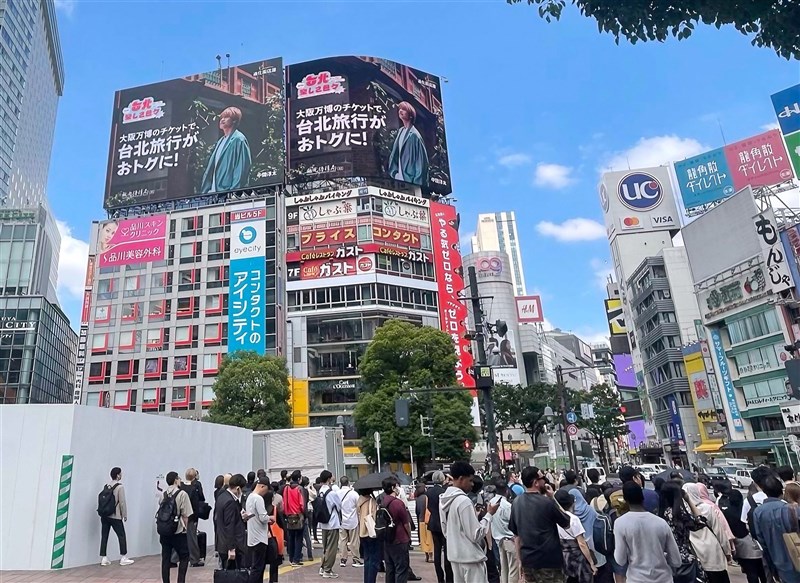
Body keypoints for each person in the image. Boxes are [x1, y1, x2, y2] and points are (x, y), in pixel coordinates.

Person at [508, 466, 571, 583]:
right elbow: (567, 523)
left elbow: (516, 536)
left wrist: (519, 561)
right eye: (542, 478)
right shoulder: (547, 503)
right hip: (549, 561)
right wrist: (553, 498)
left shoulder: (516, 502)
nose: (545, 481)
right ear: (536, 482)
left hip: (528, 561)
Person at [439, 461, 498, 583]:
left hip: (455, 555)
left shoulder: (444, 500)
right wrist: (489, 515)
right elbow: (475, 534)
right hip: (470, 558)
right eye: (470, 480)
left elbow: (445, 530)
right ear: (461, 479)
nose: (472, 484)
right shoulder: (463, 501)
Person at [612, 481, 680, 583]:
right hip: (663, 578)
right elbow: (676, 561)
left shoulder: (620, 523)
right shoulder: (661, 523)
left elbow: (620, 560)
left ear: (625, 500)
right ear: (642, 497)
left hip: (637, 579)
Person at [752, 475, 800, 583]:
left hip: (778, 561)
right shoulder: (793, 509)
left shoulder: (758, 512)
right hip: (797, 557)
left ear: (765, 492)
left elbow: (761, 541)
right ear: (781, 491)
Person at [683, 483, 733, 583]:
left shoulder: (683, 512)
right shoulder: (707, 508)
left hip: (696, 553)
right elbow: (719, 531)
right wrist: (727, 552)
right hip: (713, 551)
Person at [658, 481, 704, 583]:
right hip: (686, 559)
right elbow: (700, 522)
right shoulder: (680, 515)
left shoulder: (659, 517)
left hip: (666, 560)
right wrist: (688, 500)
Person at [718, 488, 766, 583]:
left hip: (741, 545)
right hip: (754, 542)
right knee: (762, 571)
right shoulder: (746, 509)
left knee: (751, 572)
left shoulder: (727, 513)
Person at [201, 106, 252, 193]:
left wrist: (234, 192)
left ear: (234, 121)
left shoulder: (239, 139)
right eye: (221, 117)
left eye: (226, 117)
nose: (222, 120)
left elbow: (241, 169)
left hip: (227, 194)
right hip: (213, 193)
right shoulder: (221, 141)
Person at [554, 490, 596, 583]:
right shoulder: (573, 519)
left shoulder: (553, 517)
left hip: (563, 557)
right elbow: (582, 543)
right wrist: (591, 563)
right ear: (571, 503)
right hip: (577, 558)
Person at [158, 471, 193, 583]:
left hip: (164, 530)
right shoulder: (182, 494)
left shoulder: (163, 494)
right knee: (184, 556)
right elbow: (186, 515)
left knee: (165, 559)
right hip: (177, 530)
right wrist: (186, 529)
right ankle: (180, 581)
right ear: (175, 480)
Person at [387, 101, 428, 187]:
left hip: (411, 181)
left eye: (404, 109)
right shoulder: (401, 131)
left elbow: (421, 162)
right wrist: (394, 173)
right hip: (400, 180)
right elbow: (394, 154)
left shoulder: (415, 135)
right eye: (399, 109)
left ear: (410, 114)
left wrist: (416, 183)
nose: (400, 111)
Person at [99, 466, 134, 566]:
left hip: (105, 515)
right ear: (118, 475)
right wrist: (124, 514)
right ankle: (123, 557)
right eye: (121, 473)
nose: (122, 475)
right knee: (121, 535)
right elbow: (122, 502)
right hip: (115, 516)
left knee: (104, 536)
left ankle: (104, 557)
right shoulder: (120, 487)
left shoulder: (107, 486)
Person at [381, 476, 412, 583]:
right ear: (393, 488)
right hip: (399, 538)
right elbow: (406, 523)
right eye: (397, 486)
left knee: (390, 568)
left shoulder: (383, 502)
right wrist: (409, 536)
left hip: (387, 538)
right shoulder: (398, 503)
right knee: (401, 568)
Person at [215, 473, 248, 569]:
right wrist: (231, 548)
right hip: (231, 544)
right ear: (238, 488)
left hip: (222, 542)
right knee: (233, 574)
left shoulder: (222, 496)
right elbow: (229, 525)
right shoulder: (230, 501)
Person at [244, 477, 273, 583]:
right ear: (262, 486)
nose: (266, 493)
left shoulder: (249, 497)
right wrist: (270, 518)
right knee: (258, 568)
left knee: (256, 566)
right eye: (266, 490)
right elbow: (263, 517)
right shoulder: (258, 499)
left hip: (252, 537)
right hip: (260, 537)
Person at [426, 470, 453, 583]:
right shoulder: (444, 491)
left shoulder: (429, 492)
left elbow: (427, 507)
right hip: (444, 523)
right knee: (447, 551)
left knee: (437, 550)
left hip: (433, 522)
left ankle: (440, 578)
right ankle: (449, 578)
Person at [491, 480, 519, 583]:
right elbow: (513, 523)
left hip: (498, 539)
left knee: (503, 569)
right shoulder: (507, 506)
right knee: (513, 570)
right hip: (510, 539)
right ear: (506, 491)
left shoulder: (491, 502)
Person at [317, 470, 342, 579]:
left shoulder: (320, 491)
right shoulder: (331, 493)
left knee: (325, 546)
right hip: (332, 522)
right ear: (328, 479)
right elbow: (339, 505)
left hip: (323, 523)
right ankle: (327, 569)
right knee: (332, 547)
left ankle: (323, 567)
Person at [181, 468, 206, 567]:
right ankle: (194, 559)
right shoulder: (194, 488)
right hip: (191, 516)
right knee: (192, 538)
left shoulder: (182, 487)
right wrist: (195, 518)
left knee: (180, 537)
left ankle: (173, 558)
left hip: (182, 516)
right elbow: (196, 504)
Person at [283, 470, 306, 567]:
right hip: (298, 515)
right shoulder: (300, 489)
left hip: (289, 516)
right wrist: (304, 514)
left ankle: (291, 558)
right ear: (299, 479)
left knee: (291, 538)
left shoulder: (286, 488)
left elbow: (284, 502)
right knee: (299, 538)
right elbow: (302, 504)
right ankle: (296, 559)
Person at [337, 476, 362, 568]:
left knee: (342, 540)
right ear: (348, 483)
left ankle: (343, 559)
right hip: (352, 520)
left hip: (341, 520)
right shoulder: (354, 494)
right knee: (354, 541)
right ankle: (356, 559)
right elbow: (358, 506)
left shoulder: (337, 493)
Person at [358, 488, 380, 583]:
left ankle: (366, 580)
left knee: (367, 559)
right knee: (374, 560)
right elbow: (375, 515)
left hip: (362, 532)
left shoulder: (359, 501)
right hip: (371, 532)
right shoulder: (372, 501)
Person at [415, 483, 433, 563]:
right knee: (429, 539)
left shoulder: (418, 499)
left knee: (423, 540)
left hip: (420, 521)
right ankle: (431, 556)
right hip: (427, 521)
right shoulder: (426, 497)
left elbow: (417, 511)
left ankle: (426, 556)